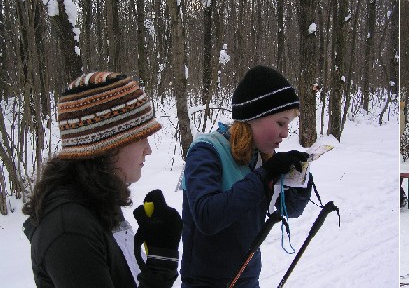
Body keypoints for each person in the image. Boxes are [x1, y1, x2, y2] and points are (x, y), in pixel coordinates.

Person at [22, 72, 180, 287]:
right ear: (108, 145)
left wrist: (161, 260)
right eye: (141, 138)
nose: (149, 150)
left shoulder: (97, 201)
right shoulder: (70, 232)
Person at [180, 65, 313, 286]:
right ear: (254, 117)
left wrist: (299, 181)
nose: (285, 133)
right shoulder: (206, 151)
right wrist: (264, 176)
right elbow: (206, 216)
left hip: (247, 279)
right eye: (281, 122)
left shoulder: (260, 157)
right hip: (205, 282)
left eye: (288, 124)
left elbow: (288, 209)